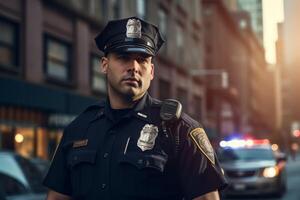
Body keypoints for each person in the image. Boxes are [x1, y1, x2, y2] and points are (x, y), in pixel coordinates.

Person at [43, 16, 227, 200]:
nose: (134, 67)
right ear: (105, 65)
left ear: (152, 71)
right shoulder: (79, 129)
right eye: (123, 58)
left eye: (142, 60)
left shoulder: (180, 130)